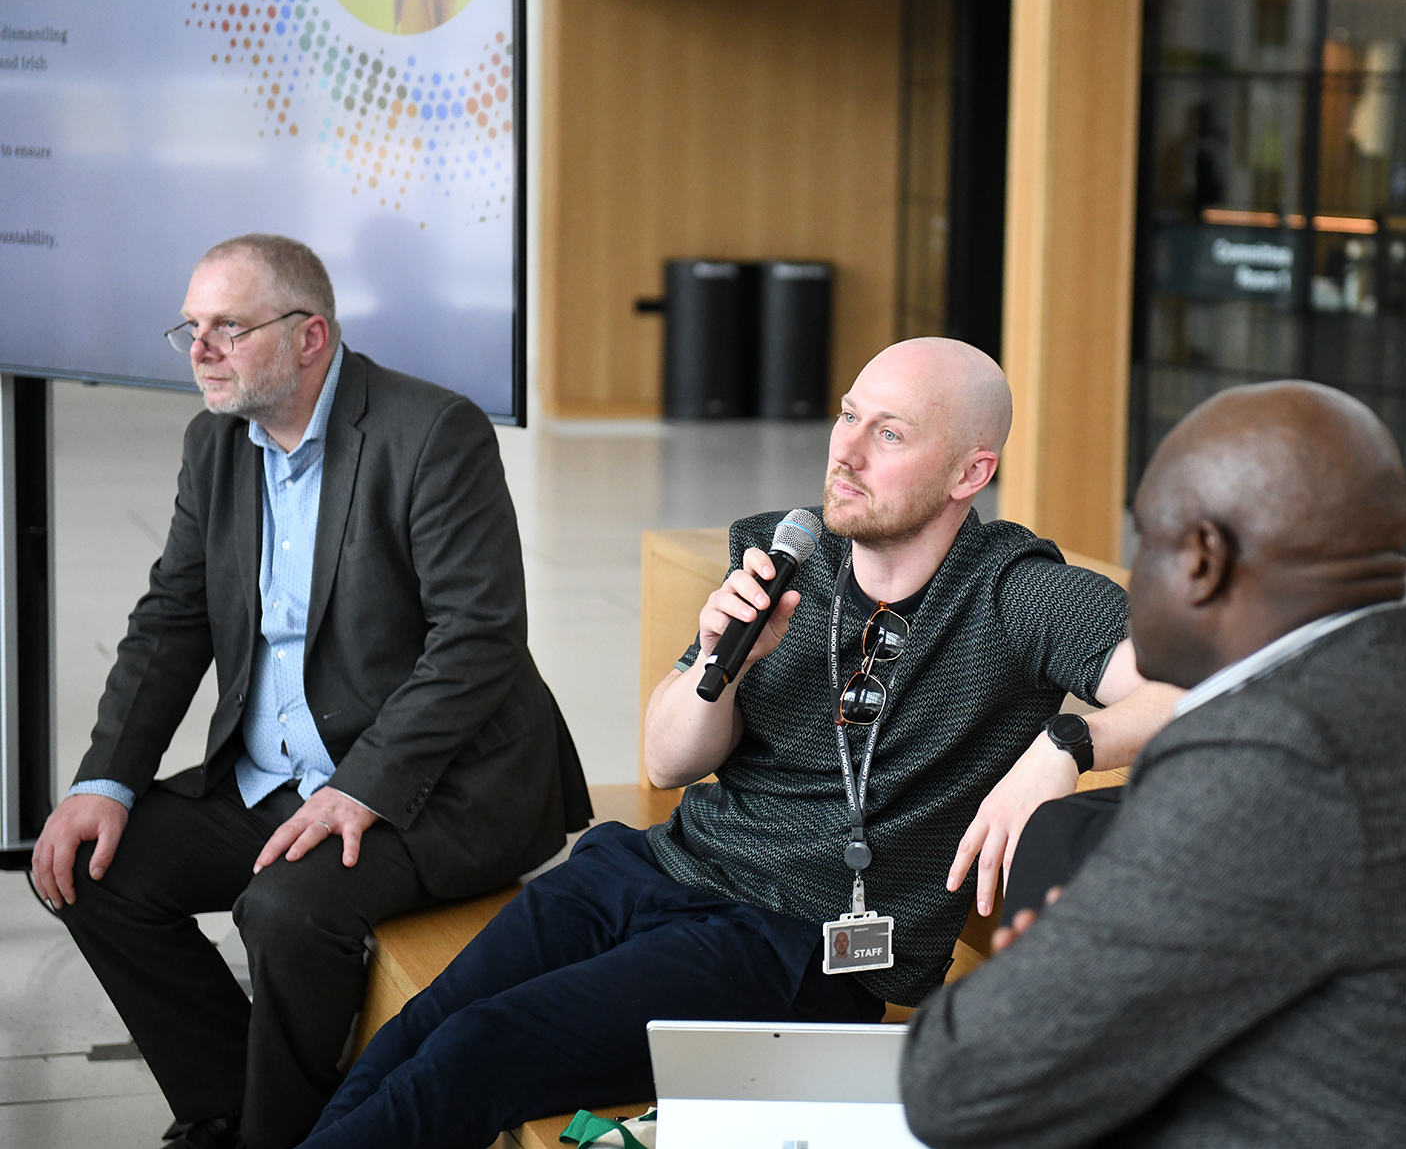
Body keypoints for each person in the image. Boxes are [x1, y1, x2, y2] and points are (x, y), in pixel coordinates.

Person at [294, 337, 1183, 1149]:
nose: (845, 450)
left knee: (479, 1048)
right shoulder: (782, 555)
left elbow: (1199, 687)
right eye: (846, 415)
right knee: (424, 1024)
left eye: (889, 433)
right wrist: (721, 664)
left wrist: (1067, 741)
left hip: (794, 943)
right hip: (651, 867)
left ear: (969, 471)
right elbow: (666, 761)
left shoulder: (1015, 592)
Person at [900, 381, 1406, 1148]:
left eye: (1145, 541)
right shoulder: (1391, 683)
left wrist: (1040, 973)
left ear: (1203, 559)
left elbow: (958, 1082)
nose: (1134, 576)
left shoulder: (1276, 757)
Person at [28, 234, 591, 1149]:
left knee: (287, 911)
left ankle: (280, 1134)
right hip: (278, 778)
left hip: (433, 788)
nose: (200, 349)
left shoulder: (432, 431)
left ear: (310, 337)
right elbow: (172, 619)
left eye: (228, 327)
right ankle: (234, 1110)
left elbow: (479, 640)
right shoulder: (216, 442)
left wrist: (361, 785)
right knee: (89, 869)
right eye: (191, 327)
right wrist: (106, 780)